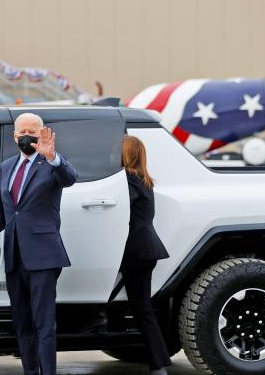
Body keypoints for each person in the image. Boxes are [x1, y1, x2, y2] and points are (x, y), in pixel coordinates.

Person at [0, 113, 78, 375]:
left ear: (42, 133)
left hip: (43, 256)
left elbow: (70, 177)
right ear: (14, 136)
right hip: (15, 254)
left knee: (44, 324)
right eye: (22, 132)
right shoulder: (7, 166)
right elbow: (3, 209)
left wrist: (52, 157)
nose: (27, 136)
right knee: (21, 323)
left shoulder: (50, 164)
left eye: (32, 131)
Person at [120, 135, 172, 375]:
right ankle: (159, 362)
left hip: (136, 250)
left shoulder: (128, 180)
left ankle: (159, 364)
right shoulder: (144, 179)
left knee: (142, 309)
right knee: (142, 307)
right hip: (145, 248)